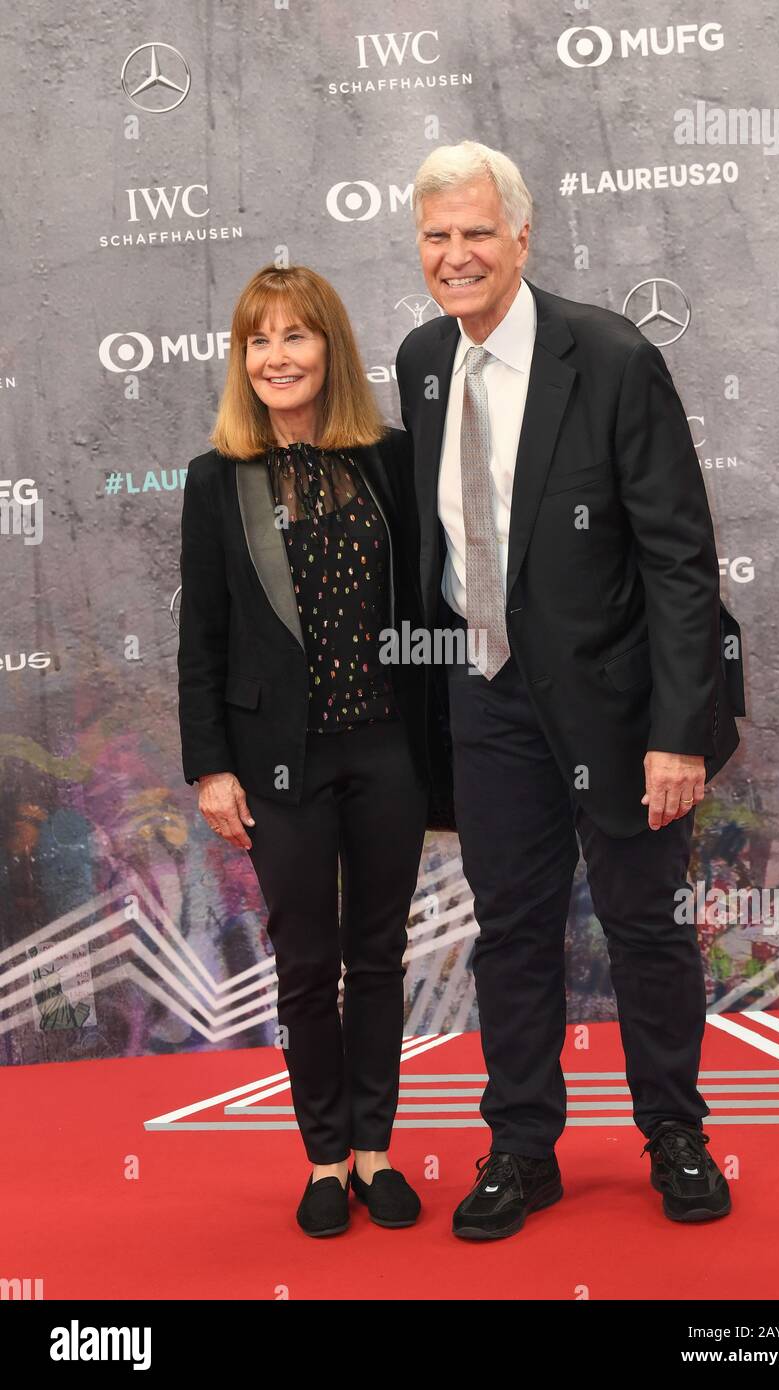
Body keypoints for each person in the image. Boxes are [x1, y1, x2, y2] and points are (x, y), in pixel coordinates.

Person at [395, 141, 746, 1239]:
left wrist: (676, 729)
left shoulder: (606, 353)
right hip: (486, 694)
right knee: (508, 931)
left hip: (618, 701)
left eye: (475, 233)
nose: (456, 256)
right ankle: (520, 1147)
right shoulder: (418, 359)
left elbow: (677, 558)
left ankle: (674, 1135)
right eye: (436, 237)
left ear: (521, 237)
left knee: (642, 926)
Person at [177, 264, 431, 1237]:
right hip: (275, 763)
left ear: (329, 347)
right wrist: (210, 764)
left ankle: (376, 1153)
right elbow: (200, 634)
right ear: (243, 360)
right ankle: (323, 1160)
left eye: (295, 335)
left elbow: (427, 605)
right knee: (303, 965)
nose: (277, 356)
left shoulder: (389, 460)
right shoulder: (216, 479)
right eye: (259, 340)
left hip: (384, 752)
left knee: (377, 955)